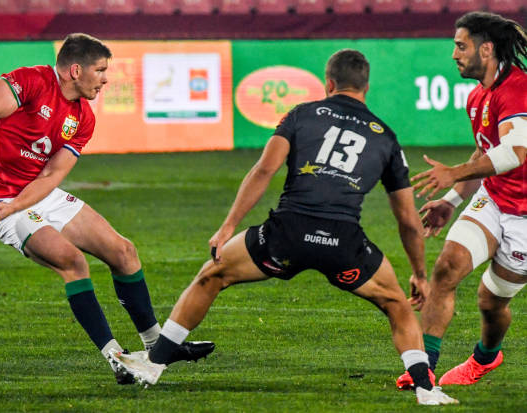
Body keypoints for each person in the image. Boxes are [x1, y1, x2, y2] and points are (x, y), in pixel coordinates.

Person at [115, 49, 458, 405]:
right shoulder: (385, 137)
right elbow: (406, 218)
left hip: (286, 235)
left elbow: (263, 171)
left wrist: (227, 226)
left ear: (329, 83)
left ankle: (154, 363)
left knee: (212, 275)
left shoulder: (302, 115)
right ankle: (425, 388)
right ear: (366, 87)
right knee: (397, 304)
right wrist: (419, 273)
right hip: (344, 243)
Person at [0, 33, 214, 385]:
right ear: (75, 70)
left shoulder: (83, 117)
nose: (105, 79)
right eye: (100, 70)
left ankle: (158, 347)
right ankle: (116, 358)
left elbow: (54, 173)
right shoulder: (30, 81)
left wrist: (17, 205)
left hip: (33, 197)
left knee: (124, 251)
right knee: (73, 262)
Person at [397, 11, 527, 388]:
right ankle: (423, 367)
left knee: (491, 303)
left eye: (460, 45)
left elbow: (515, 153)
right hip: (495, 199)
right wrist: (452, 200)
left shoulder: (518, 90)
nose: (454, 54)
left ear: (486, 49)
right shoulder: (477, 96)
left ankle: (485, 358)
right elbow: (486, 151)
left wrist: (452, 173)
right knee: (447, 267)